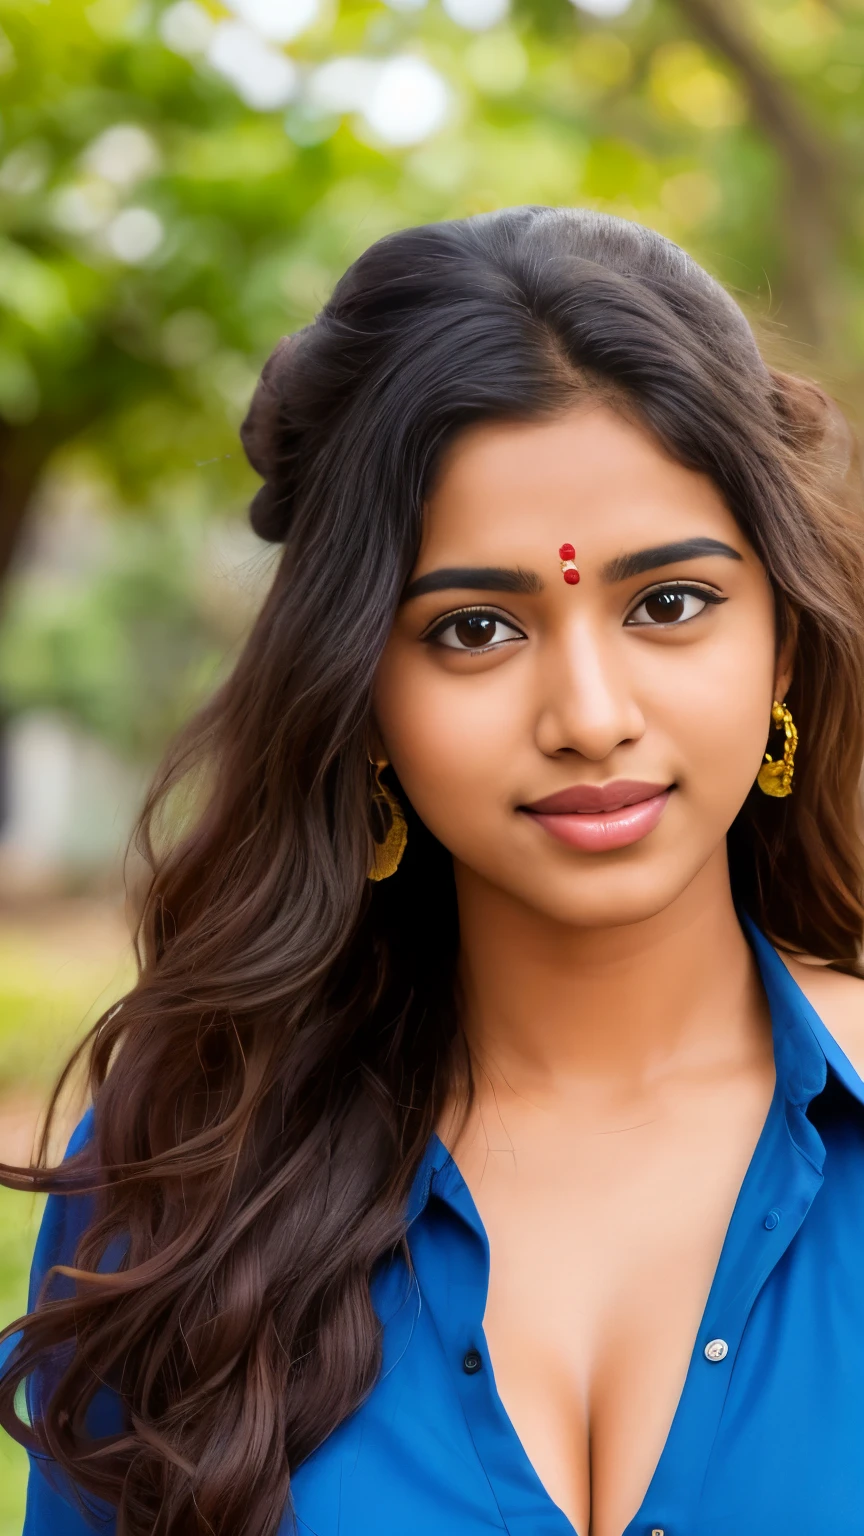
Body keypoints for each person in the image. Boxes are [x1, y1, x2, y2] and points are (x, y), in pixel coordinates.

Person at [2, 205, 864, 1536]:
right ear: (361, 697)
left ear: (787, 646)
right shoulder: (176, 1187)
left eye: (669, 605)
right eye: (474, 628)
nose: (589, 712)